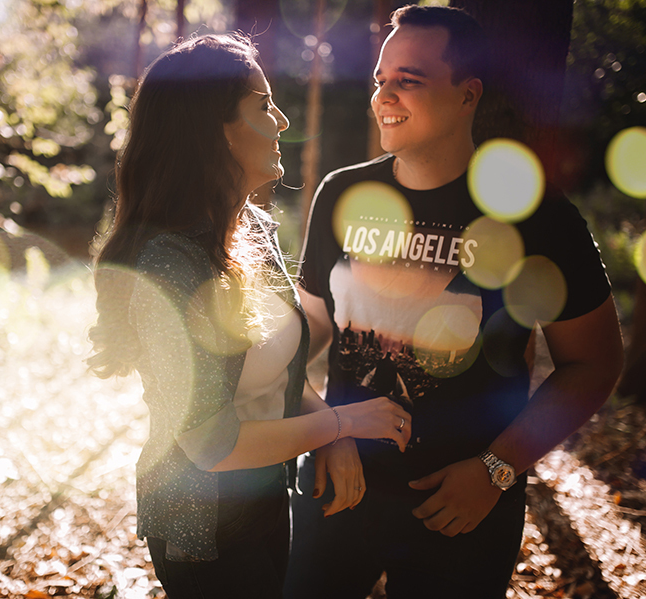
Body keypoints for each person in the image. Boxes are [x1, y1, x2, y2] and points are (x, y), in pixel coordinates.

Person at [284, 6, 624, 598]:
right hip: (337, 487)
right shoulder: (342, 192)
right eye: (379, 80)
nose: (385, 95)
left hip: (461, 509)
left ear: (468, 95)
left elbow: (594, 363)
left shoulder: (537, 216)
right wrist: (325, 427)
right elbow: (306, 333)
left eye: (408, 80)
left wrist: (496, 471)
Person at [86, 33, 411, 599]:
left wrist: (330, 433)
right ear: (213, 130)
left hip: (268, 498)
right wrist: (343, 424)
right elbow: (211, 445)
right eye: (263, 105)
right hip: (203, 530)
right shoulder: (169, 266)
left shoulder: (251, 230)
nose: (282, 121)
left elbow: (279, 370)